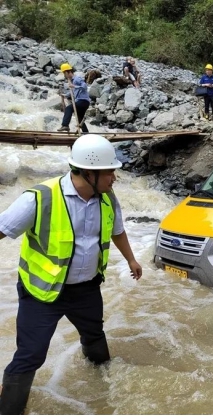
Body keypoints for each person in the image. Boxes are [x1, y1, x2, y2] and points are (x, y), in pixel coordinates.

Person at [0, 134, 142, 415]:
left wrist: (131, 259)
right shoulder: (40, 197)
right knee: (30, 355)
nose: (114, 178)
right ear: (89, 173)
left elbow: (117, 231)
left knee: (94, 336)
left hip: (86, 290)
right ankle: (9, 409)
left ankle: (102, 385)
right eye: (109, 172)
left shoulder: (107, 198)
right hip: (42, 293)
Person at [57, 63, 91, 133]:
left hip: (83, 101)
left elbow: (84, 87)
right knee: (79, 118)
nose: (64, 76)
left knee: (68, 108)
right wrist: (65, 95)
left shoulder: (77, 79)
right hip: (82, 102)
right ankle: (86, 133)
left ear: (67, 72)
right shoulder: (72, 81)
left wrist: (74, 86)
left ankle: (65, 125)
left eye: (64, 74)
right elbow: (73, 92)